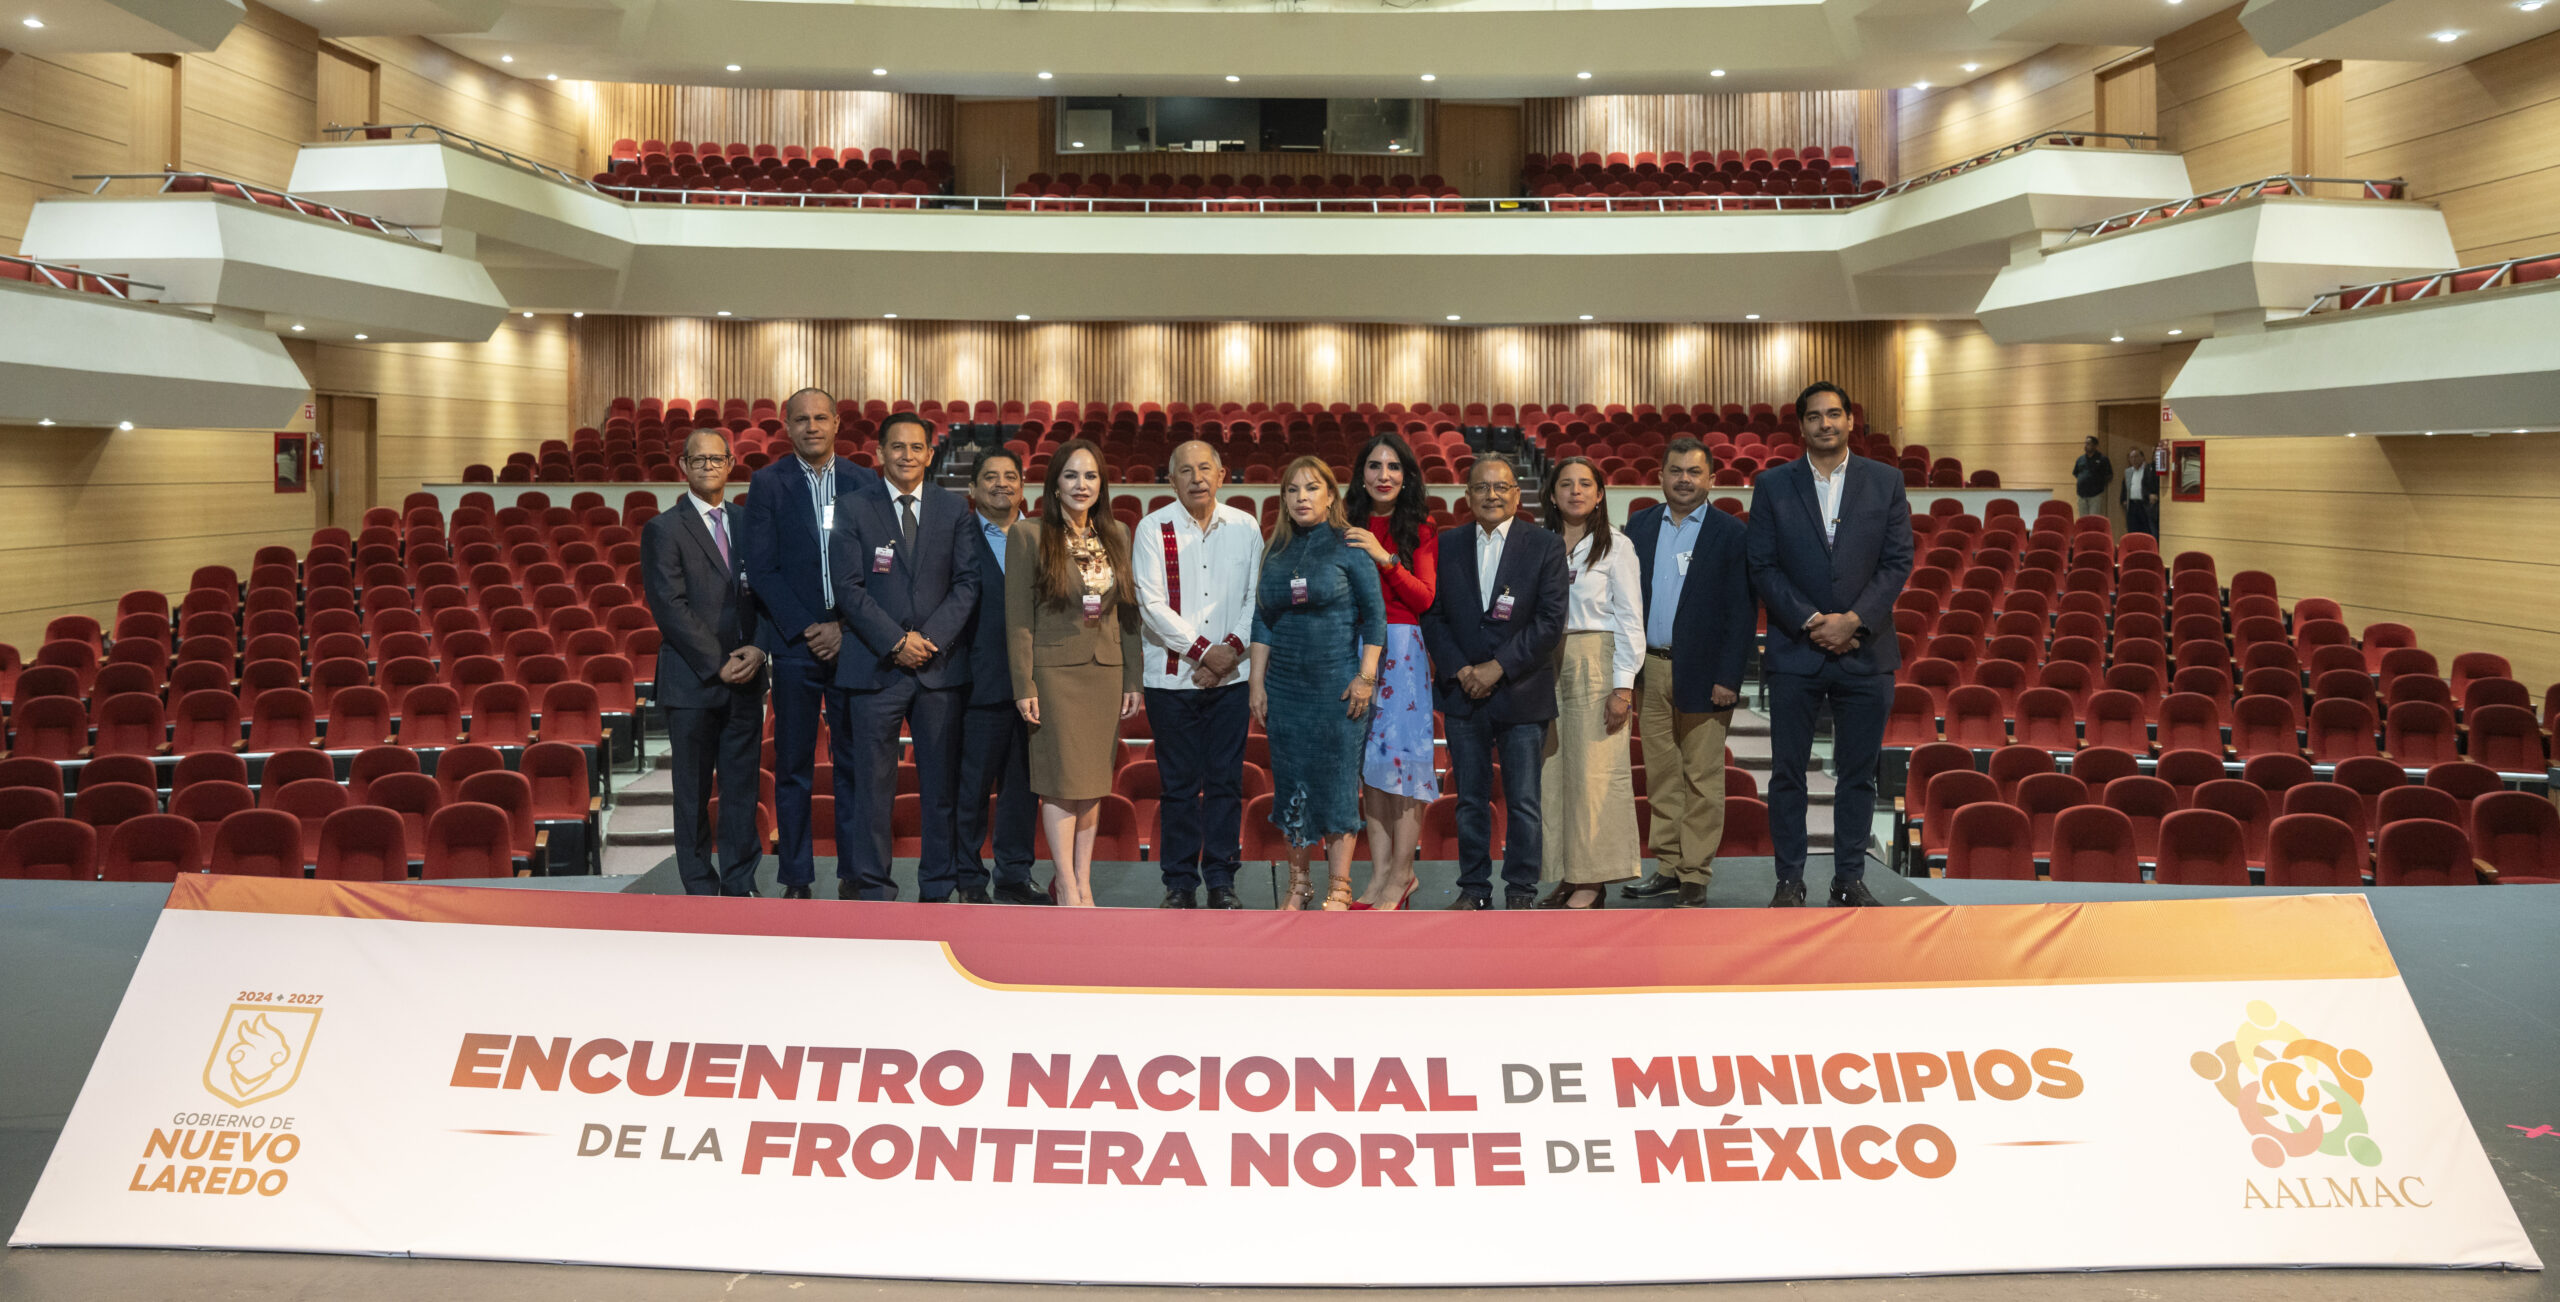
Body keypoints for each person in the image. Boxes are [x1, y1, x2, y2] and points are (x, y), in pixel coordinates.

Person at [1746, 381, 1913, 908]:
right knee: (1789, 775)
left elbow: (1896, 562)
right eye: (1815, 417)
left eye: (1834, 414)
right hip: (1798, 650)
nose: (1825, 424)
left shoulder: (1885, 481)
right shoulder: (1773, 485)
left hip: (1866, 652)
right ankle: (1790, 879)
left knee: (1858, 775)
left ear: (1850, 420)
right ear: (1802, 426)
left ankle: (1848, 877)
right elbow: (1763, 566)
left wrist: (1854, 621)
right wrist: (1815, 620)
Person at [829, 413, 980, 902]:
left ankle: (937, 885)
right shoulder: (852, 508)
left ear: (930, 454)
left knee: (940, 788)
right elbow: (848, 589)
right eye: (898, 447)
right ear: (880, 452)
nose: (907, 456)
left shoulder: (955, 510)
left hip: (938, 669)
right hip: (875, 668)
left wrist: (928, 639)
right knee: (872, 788)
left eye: (917, 447)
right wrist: (896, 642)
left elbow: (967, 584)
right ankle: (872, 885)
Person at [742, 387, 880, 899]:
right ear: (786, 426)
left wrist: (843, 625)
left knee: (852, 763)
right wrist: (807, 628)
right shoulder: (767, 484)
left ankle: (853, 871)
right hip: (795, 644)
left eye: (820, 417)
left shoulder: (865, 482)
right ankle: (797, 875)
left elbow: (875, 565)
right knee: (794, 766)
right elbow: (762, 569)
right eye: (801, 419)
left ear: (838, 423)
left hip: (855, 640)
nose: (811, 427)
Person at [1423, 454, 1568, 911]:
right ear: (1467, 495)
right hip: (1462, 693)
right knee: (1468, 799)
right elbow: (1433, 614)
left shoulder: (1544, 545)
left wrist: (1496, 668)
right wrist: (1463, 670)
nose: (1492, 495)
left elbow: (1549, 622)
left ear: (1516, 494)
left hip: (1522, 692)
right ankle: (1474, 888)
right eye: (1482, 488)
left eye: (1501, 487)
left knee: (1524, 800)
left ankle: (1522, 890)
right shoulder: (1446, 546)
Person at [1619, 438, 1756, 907]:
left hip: (1704, 673)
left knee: (1702, 777)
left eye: (1694, 472)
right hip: (1649, 671)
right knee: (1660, 775)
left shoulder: (1732, 533)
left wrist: (1729, 679)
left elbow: (1741, 613)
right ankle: (1669, 866)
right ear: (1660, 476)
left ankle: (1695, 872)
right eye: (1675, 470)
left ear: (1711, 479)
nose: (1684, 479)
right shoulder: (1638, 526)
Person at [1005, 440, 1142, 908]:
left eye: (1090, 477)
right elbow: (1019, 619)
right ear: (1055, 484)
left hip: (1104, 673)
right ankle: (1064, 882)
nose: (1081, 485)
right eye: (1071, 476)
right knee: (1061, 784)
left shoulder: (1117, 533)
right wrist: (1024, 684)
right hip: (1054, 675)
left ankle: (1083, 881)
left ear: (1101, 485)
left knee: (1091, 785)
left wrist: (1132, 679)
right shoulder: (1028, 534)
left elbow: (1127, 613)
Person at [1250, 457, 1387, 910]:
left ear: (1331, 495)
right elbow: (1263, 621)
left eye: (1312, 488)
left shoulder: (1349, 545)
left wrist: (1366, 678)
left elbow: (1375, 618)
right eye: (1292, 490)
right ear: (1284, 499)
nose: (1302, 497)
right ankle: (1298, 884)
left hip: (1338, 691)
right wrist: (1257, 684)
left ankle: (1340, 887)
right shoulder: (1276, 551)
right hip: (1286, 693)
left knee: (1338, 785)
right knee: (1291, 786)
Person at [1132, 441, 1261, 909]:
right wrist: (1207, 652)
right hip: (1171, 681)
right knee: (1179, 786)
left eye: (1204, 467)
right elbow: (1151, 605)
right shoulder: (1152, 527)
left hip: (1232, 677)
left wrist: (1228, 654)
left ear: (1222, 474)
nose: (1196, 477)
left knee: (1226, 783)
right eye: (1184, 470)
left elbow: (1255, 597)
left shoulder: (1246, 527)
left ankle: (1222, 880)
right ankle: (1180, 882)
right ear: (1171, 480)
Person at [639, 428, 767, 897]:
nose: (709, 467)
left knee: (740, 790)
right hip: (693, 680)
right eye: (699, 460)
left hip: (747, 677)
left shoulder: (749, 521)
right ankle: (698, 883)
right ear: (683, 467)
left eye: (717, 459)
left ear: (731, 464)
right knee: (692, 793)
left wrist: (758, 649)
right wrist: (719, 663)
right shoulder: (662, 528)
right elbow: (669, 607)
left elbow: (767, 594)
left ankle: (740, 880)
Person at [1532, 457, 1646, 908]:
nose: (1575, 491)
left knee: (1595, 775)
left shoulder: (1617, 546)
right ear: (1553, 493)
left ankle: (1593, 880)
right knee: (1552, 774)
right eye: (1566, 484)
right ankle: (1565, 873)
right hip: (1545, 662)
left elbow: (1631, 620)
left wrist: (1623, 687)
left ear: (1600, 494)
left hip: (1596, 660)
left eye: (1585, 484)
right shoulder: (1541, 545)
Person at [1343, 432, 1438, 910]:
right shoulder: (1344, 523)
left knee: (1402, 766)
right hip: (1352, 647)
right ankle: (1380, 875)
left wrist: (1385, 560)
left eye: (1394, 467)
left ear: (1406, 477)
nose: (1384, 476)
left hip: (1400, 648)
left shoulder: (1418, 526)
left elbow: (1424, 597)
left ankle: (1403, 873)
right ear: (1362, 474)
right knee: (1370, 769)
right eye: (1375, 466)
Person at [954, 449, 1049, 905]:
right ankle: (969, 876)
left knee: (1022, 788)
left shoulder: (1044, 536)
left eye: (1010, 476)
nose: (1000, 484)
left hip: (1034, 686)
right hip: (977, 682)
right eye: (989, 477)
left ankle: (1014, 873)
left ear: (1023, 487)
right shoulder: (957, 537)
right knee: (971, 787)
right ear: (972, 490)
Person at [2073, 437, 2114, 522]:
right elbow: (2076, 473)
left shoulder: (2103, 459)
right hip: (2081, 494)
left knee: (2093, 519)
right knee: (2083, 520)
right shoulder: (2080, 459)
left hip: (2095, 494)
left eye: (2088, 443)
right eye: (2085, 443)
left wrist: (2098, 483)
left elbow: (2109, 475)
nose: (2086, 445)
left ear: (2095, 446)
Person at [2123, 445, 2160, 537]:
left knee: (2146, 531)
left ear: (2142, 457)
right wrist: (2123, 500)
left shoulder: (2148, 469)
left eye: (2136, 457)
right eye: (2131, 457)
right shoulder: (2128, 471)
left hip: (2144, 504)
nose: (2134, 460)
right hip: (2132, 504)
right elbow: (2125, 487)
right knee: (2132, 531)